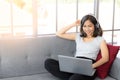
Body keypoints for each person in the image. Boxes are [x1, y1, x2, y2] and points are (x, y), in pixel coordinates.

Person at [44, 14, 109, 80]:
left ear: (95, 26)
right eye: (84, 26)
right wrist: (73, 24)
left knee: (74, 78)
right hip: (75, 65)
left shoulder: (100, 39)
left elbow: (105, 58)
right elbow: (58, 33)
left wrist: (91, 66)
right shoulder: (78, 36)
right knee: (48, 62)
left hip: (89, 66)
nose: (87, 29)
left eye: (90, 26)